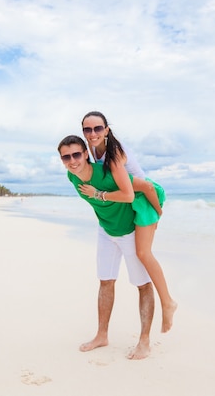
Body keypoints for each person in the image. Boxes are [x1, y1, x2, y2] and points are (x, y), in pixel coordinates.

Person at [58, 134, 155, 360]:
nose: (72, 161)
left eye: (76, 154)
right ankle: (102, 335)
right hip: (105, 232)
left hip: (129, 232)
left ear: (86, 154)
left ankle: (144, 341)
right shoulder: (71, 177)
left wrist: (156, 217)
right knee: (105, 281)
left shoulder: (109, 172)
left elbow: (146, 188)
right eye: (66, 157)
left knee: (142, 284)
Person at [80, 111, 177, 333]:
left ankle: (168, 302)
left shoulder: (114, 155)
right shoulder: (94, 149)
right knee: (138, 255)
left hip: (145, 198)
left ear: (106, 130)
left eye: (97, 129)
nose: (92, 133)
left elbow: (144, 188)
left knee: (143, 253)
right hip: (134, 198)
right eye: (87, 129)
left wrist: (158, 213)